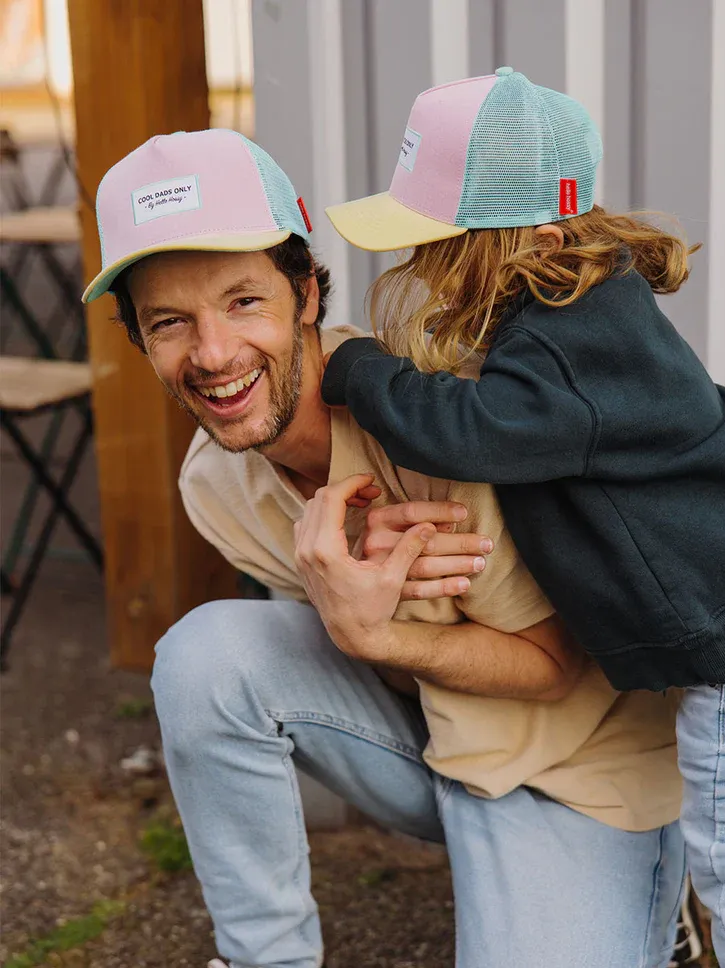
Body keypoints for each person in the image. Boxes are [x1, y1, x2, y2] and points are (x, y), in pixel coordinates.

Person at [83, 129, 687, 968]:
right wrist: (368, 605)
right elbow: (387, 670)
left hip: (578, 767)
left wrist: (373, 630)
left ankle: (653, 895)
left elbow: (554, 666)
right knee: (203, 657)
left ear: (304, 292)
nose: (213, 354)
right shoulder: (215, 487)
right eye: (169, 323)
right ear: (139, 341)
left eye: (243, 301)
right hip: (438, 740)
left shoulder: (434, 419)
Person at [320, 68, 725, 967]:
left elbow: (467, 431)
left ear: (538, 239)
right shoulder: (583, 308)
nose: (422, 268)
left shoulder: (574, 341)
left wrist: (356, 370)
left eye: (441, 247)